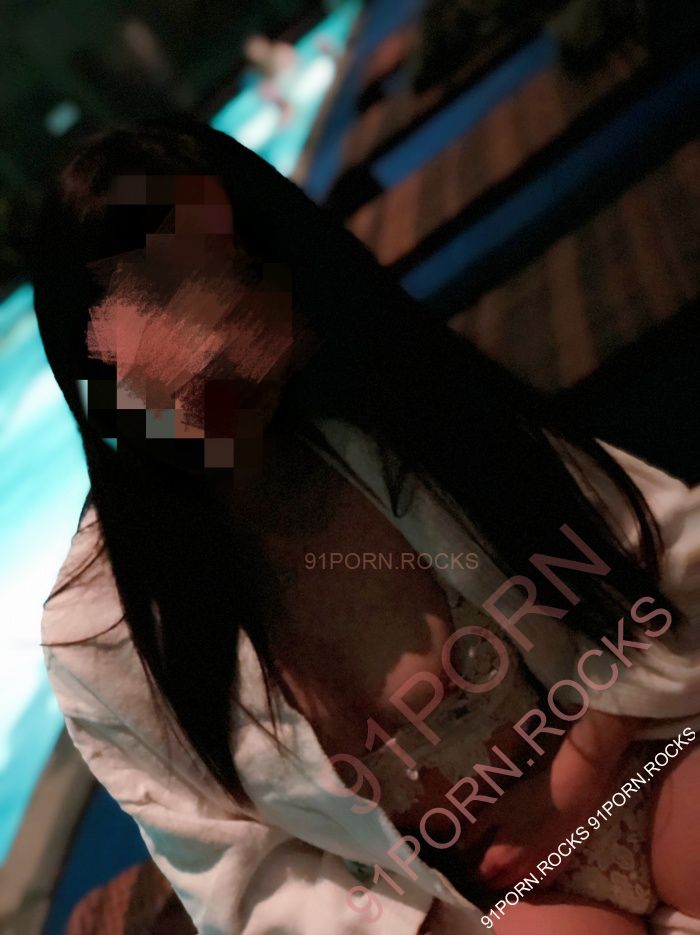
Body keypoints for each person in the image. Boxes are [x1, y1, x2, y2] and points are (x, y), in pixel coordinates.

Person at [28, 115, 700, 934]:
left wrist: (581, 778)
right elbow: (242, 874)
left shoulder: (409, 414)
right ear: (90, 361)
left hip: (629, 766)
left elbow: (652, 560)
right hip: (471, 901)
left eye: (234, 280)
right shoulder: (103, 635)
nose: (209, 346)